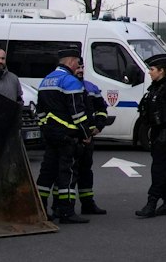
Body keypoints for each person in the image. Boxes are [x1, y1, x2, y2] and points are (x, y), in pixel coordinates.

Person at [35, 47, 89, 225]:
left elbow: (40, 112)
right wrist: (85, 133)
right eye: (77, 63)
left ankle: (40, 209)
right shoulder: (70, 81)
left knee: (46, 173)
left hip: (51, 136)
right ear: (72, 61)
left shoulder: (46, 80)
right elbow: (77, 112)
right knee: (67, 173)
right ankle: (66, 211)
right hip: (68, 136)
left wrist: (46, 130)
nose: (78, 67)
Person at [135, 54, 166, 218]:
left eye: (152, 69)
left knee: (158, 168)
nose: (149, 72)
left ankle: (152, 202)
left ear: (161, 71)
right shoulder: (155, 87)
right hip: (157, 133)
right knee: (163, 168)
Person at [72, 59, 109, 216]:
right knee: (69, 173)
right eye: (77, 67)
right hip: (74, 138)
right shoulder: (68, 87)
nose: (80, 70)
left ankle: (87, 204)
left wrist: (99, 126)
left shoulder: (91, 88)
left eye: (82, 67)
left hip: (89, 138)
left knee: (86, 172)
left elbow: (102, 109)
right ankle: (65, 206)